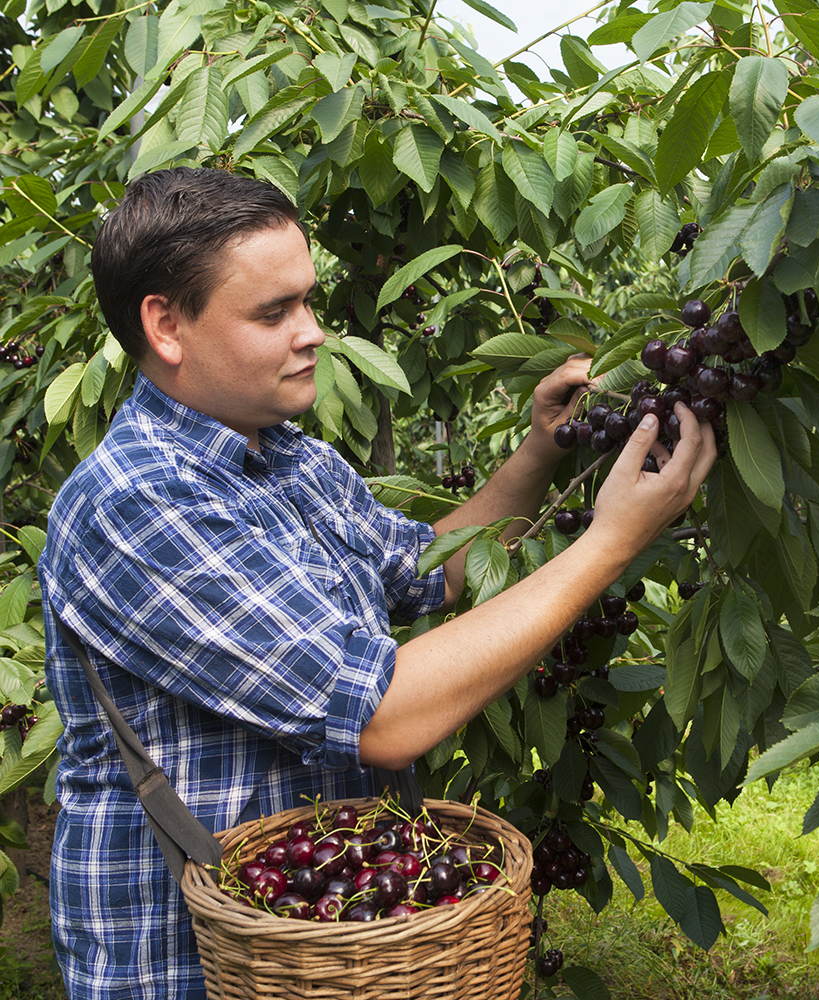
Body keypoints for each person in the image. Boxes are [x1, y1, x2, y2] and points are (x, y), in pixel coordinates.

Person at [38, 166, 716, 999]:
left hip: (341, 947)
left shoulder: (293, 459)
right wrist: (610, 544)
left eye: (309, 301)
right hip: (190, 966)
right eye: (274, 312)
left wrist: (542, 448)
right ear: (166, 326)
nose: (315, 333)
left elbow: (434, 570)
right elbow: (384, 716)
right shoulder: (135, 503)